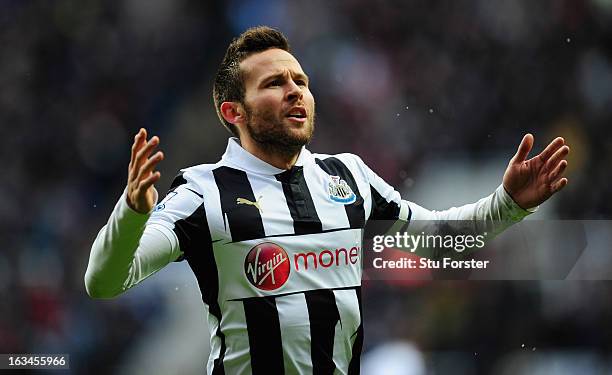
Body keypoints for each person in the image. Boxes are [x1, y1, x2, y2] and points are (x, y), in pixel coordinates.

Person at [84, 26, 570, 374]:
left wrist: (507, 203)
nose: (296, 91)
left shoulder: (348, 175)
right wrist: (132, 212)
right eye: (274, 83)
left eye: (301, 81)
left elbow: (437, 239)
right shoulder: (201, 191)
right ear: (234, 111)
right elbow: (105, 283)